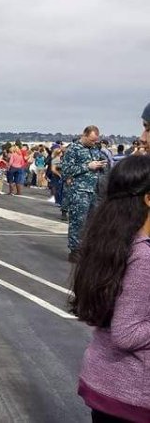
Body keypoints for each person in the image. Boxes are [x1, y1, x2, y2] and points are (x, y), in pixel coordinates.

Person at [70, 154, 150, 422]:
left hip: (106, 384)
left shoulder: (114, 241)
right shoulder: (143, 257)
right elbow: (126, 334)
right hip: (133, 393)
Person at [60, 126, 107, 262]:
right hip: (79, 191)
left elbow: (96, 167)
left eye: (95, 141)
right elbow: (66, 170)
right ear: (84, 135)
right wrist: (87, 166)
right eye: (92, 140)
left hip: (94, 190)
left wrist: (99, 166)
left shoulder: (95, 149)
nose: (94, 143)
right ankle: (75, 250)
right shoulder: (73, 149)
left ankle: (87, 248)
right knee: (78, 221)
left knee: (92, 222)